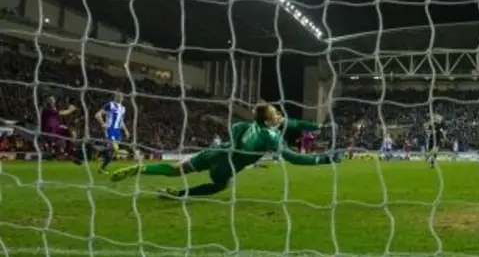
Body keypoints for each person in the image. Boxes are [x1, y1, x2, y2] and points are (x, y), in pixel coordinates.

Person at [110, 102, 344, 198]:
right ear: (270, 120)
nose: (280, 116)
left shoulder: (246, 125)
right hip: (225, 167)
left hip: (214, 153)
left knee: (175, 169)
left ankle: (142, 169)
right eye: (277, 114)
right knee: (221, 185)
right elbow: (293, 158)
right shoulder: (270, 137)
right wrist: (325, 159)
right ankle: (179, 194)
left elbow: (234, 130)